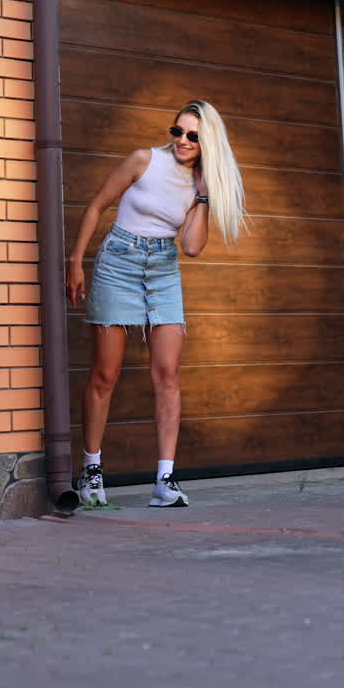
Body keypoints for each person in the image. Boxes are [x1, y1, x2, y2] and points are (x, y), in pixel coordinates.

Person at [66, 99, 245, 508]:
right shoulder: (143, 160)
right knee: (104, 374)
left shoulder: (202, 183)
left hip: (163, 269)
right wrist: (76, 261)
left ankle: (165, 480)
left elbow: (193, 247)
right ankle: (91, 470)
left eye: (193, 136)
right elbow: (97, 206)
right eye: (177, 131)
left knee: (167, 374)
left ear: (207, 142)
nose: (182, 140)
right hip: (118, 261)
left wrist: (203, 196)